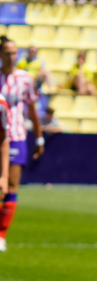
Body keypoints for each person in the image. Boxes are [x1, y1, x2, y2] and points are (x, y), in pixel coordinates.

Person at [0, 38, 44, 252]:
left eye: (14, 52)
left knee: (10, 187)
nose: (11, 56)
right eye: (7, 52)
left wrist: (39, 137)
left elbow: (32, 110)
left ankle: (1, 236)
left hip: (16, 137)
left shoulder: (25, 79)